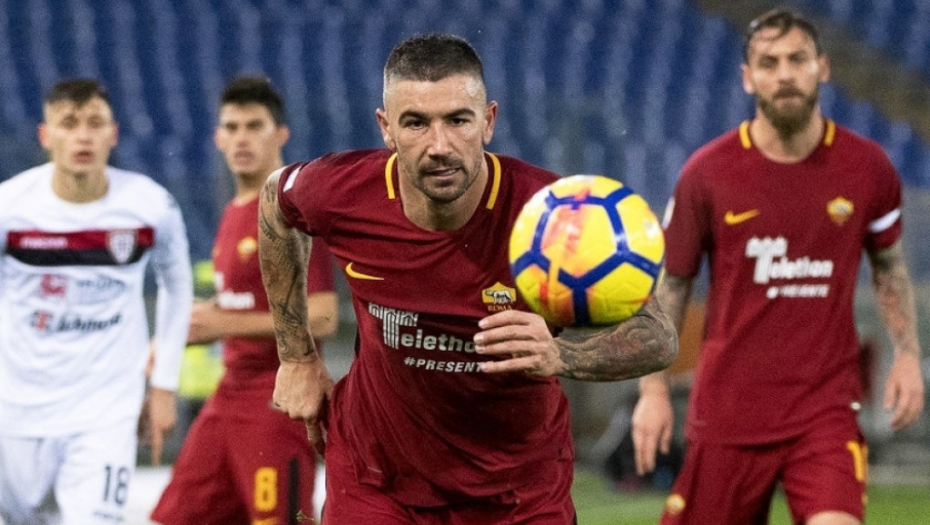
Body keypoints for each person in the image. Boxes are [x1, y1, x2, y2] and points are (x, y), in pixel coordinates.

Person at [258, 33, 677, 525]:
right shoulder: (345, 192)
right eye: (416, 123)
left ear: (489, 121)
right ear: (386, 128)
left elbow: (658, 336)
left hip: (517, 492)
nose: (440, 146)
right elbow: (274, 201)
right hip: (377, 480)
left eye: (458, 120)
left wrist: (563, 354)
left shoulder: (557, 218)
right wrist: (297, 357)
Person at [631, 10, 925, 525]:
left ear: (823, 67)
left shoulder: (867, 167)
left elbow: (888, 266)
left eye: (797, 59)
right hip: (728, 414)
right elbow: (672, 288)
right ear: (748, 77)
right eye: (769, 63)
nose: (785, 74)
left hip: (825, 412)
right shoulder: (707, 173)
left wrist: (907, 354)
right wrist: (653, 391)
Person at [0, 79, 193, 525]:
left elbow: (177, 284)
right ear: (46, 135)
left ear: (114, 133)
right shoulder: (10, 208)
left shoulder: (150, 206)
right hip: (17, 408)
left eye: (94, 123)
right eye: (69, 123)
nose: (83, 136)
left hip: (106, 411)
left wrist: (164, 385)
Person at [150, 76, 338, 524]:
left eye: (254, 126)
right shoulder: (234, 210)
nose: (241, 138)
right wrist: (187, 329)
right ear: (217, 137)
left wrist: (222, 325)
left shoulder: (291, 212)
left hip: (276, 401)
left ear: (281, 133)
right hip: (228, 396)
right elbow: (242, 303)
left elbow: (324, 316)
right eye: (231, 127)